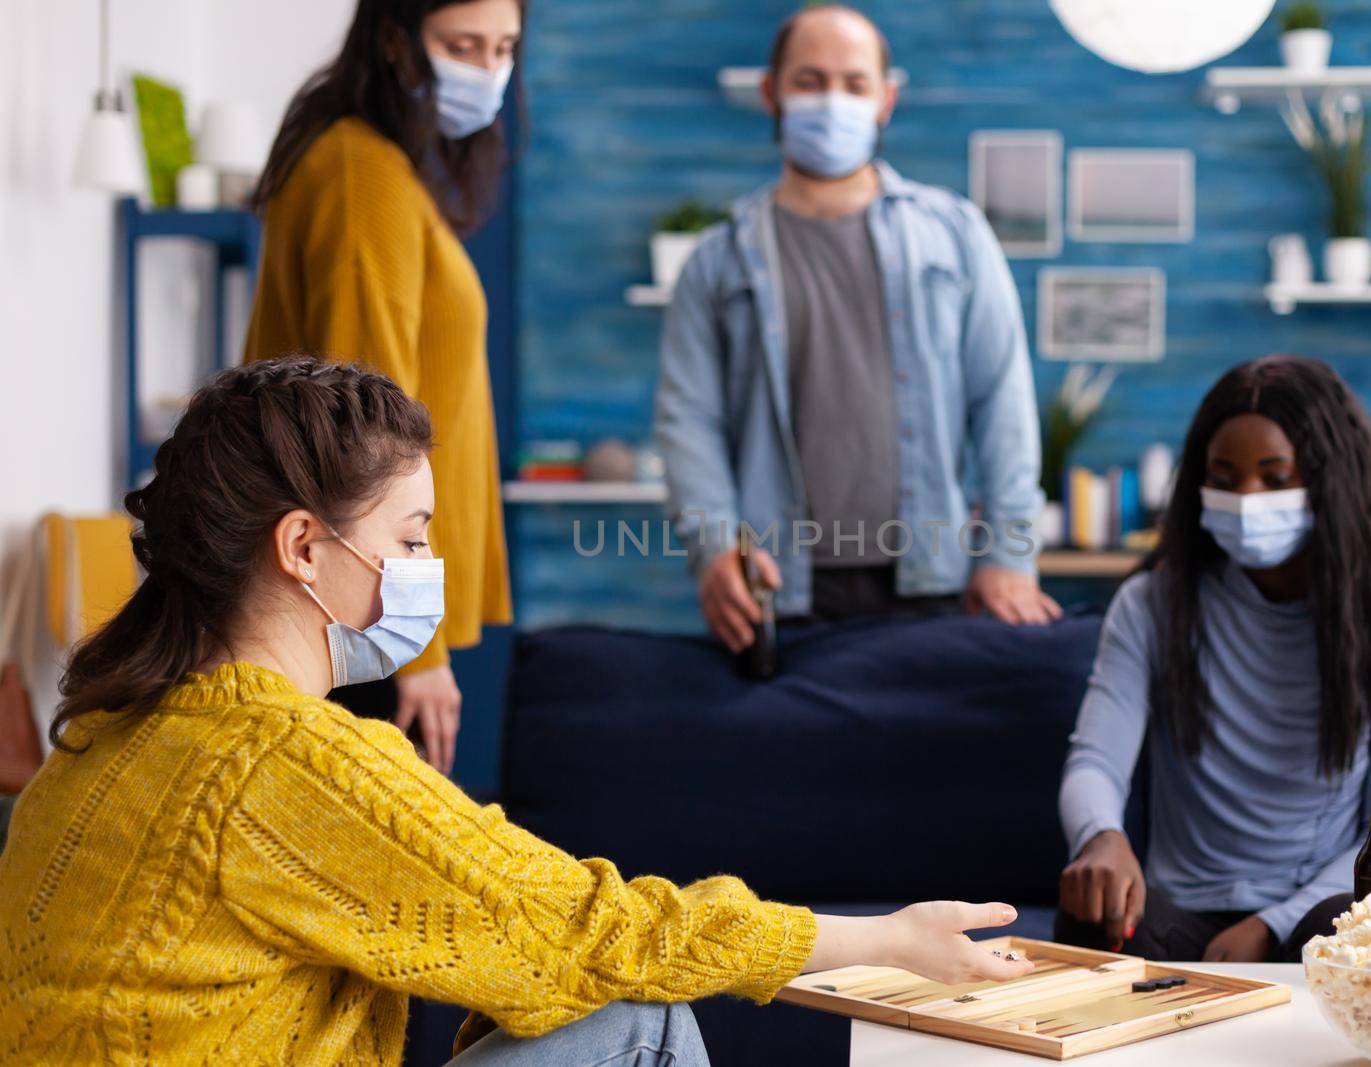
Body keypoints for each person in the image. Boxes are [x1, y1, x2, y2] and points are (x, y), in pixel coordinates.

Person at [0, 359, 1034, 1066]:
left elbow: (513, 929)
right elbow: (597, 929)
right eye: (409, 540)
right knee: (639, 1006)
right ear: (304, 548)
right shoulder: (282, 757)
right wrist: (883, 938)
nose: (423, 569)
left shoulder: (99, 739)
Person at [654, 5, 1058, 655]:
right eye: (810, 81)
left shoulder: (955, 235)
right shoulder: (716, 260)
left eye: (854, 83)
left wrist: (1010, 552)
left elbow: (1002, 399)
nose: (832, 101)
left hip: (935, 581)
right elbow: (688, 421)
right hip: (777, 589)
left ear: (886, 100)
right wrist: (714, 548)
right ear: (771, 93)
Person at [1054, 356, 1371, 963]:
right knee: (1086, 908)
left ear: (1331, 484)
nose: (1244, 499)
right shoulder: (1151, 606)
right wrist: (1100, 838)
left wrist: (1269, 926)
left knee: (1363, 925)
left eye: (1274, 479)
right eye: (1223, 478)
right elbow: (1095, 760)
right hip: (1174, 919)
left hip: (1317, 920)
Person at [243, 0, 522, 774]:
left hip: (364, 611)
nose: (489, 69)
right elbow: (363, 430)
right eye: (463, 44)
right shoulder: (362, 173)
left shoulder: (371, 165)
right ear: (396, 41)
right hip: (367, 620)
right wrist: (414, 646)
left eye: (504, 47)